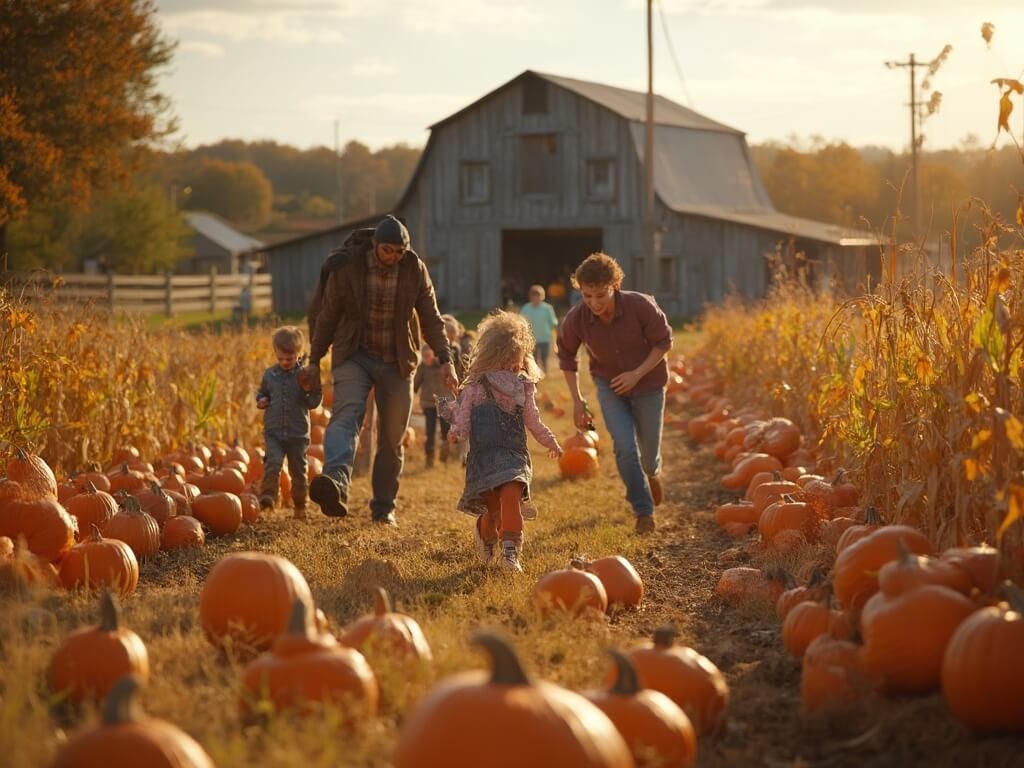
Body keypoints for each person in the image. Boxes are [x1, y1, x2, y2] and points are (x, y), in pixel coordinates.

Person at [304, 214, 457, 525]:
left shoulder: (414, 269)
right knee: (347, 414)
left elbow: (431, 317)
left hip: (397, 361)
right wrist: (314, 359)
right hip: (354, 354)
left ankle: (384, 507)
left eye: (400, 251)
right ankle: (335, 482)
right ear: (375, 245)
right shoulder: (349, 266)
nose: (393, 256)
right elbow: (328, 316)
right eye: (388, 250)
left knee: (392, 435)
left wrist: (446, 359)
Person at [556, 252, 672, 534]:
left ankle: (652, 472)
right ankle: (643, 511)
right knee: (624, 447)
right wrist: (577, 400)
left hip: (649, 384)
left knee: (648, 457)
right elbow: (567, 357)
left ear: (615, 285)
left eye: (600, 295)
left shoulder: (640, 305)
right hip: (610, 386)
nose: (594, 303)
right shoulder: (577, 318)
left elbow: (664, 341)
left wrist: (636, 374)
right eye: (587, 296)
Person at [441, 311, 562, 572]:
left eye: (517, 359)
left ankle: (511, 554)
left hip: (513, 455)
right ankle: (484, 533)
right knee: (494, 512)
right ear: (492, 355)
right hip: (484, 459)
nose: (513, 365)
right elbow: (463, 418)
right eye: (507, 359)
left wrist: (551, 442)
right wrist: (457, 432)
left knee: (511, 497)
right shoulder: (476, 385)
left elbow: (533, 420)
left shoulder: (523, 386)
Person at [255, 326, 322, 520]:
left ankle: (300, 505)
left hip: (297, 433)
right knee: (273, 463)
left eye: (289, 359)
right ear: (275, 353)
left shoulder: (305, 376)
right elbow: (262, 393)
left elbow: (313, 402)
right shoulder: (270, 375)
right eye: (280, 358)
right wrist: (261, 400)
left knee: (298, 472)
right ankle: (268, 497)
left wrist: (311, 390)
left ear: (299, 354)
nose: (284, 362)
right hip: (274, 431)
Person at [413, 345, 449, 468]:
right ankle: (429, 459)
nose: (426, 358)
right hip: (428, 403)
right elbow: (415, 385)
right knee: (430, 432)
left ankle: (445, 456)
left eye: (428, 356)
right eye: (424, 357)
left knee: (445, 430)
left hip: (443, 401)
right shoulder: (421, 368)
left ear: (433, 355)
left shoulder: (442, 364)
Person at [519, 285, 558, 373]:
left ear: (542, 296)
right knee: (533, 359)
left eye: (538, 296)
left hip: (545, 338)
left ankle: (545, 373)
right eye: (534, 296)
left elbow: (553, 324)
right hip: (531, 339)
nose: (536, 298)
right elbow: (521, 322)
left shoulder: (547, 308)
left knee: (544, 358)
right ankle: (535, 374)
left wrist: (555, 340)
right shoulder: (526, 308)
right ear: (530, 297)